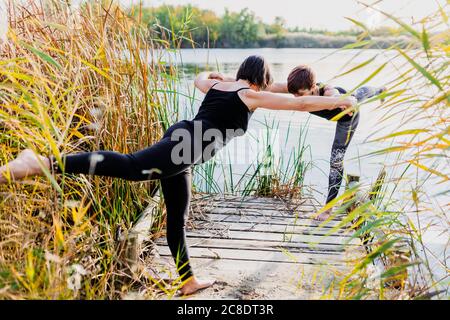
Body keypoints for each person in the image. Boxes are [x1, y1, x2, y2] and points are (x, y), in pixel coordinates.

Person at [0, 55, 356, 295]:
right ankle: (40, 163)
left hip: (183, 144)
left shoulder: (223, 87)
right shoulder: (249, 96)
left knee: (178, 217)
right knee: (127, 166)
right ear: (261, 79)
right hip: (184, 146)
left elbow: (202, 79)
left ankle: (188, 281)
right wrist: (341, 102)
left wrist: (213, 75)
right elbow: (299, 103)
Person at [284, 65, 385, 221]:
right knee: (359, 93)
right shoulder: (298, 87)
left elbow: (337, 96)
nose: (298, 99)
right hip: (342, 102)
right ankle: (379, 90)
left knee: (336, 161)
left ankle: (327, 211)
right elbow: (274, 89)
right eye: (294, 95)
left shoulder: (328, 92)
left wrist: (343, 102)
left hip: (347, 117)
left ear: (312, 87)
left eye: (300, 95)